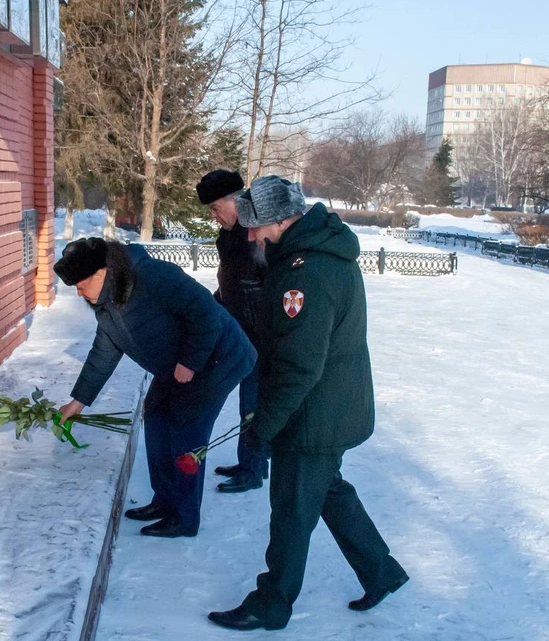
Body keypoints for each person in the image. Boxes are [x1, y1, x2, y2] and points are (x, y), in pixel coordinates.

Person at [207, 176, 409, 631]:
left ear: (282, 219)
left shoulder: (307, 273)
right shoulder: (313, 253)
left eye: (257, 226)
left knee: (292, 512)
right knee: (327, 491)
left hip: (315, 412)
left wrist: (262, 428)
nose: (252, 235)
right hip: (330, 405)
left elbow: (299, 365)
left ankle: (272, 603)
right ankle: (381, 571)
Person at [54, 238, 255, 538]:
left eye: (81, 285)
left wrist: (190, 361)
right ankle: (165, 500)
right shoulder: (107, 305)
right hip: (175, 365)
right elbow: (103, 353)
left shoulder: (153, 276)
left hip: (217, 357)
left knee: (186, 428)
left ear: (101, 272)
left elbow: (206, 313)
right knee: (158, 417)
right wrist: (78, 402)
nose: (79, 293)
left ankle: (185, 517)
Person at [196, 169, 269, 493]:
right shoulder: (229, 235)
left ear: (235, 200)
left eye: (215, 208)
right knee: (248, 399)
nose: (213, 216)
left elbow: (267, 284)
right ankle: (250, 462)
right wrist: (213, 305)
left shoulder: (257, 232)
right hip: (241, 328)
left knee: (252, 401)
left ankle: (253, 470)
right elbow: (233, 283)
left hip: (261, 332)